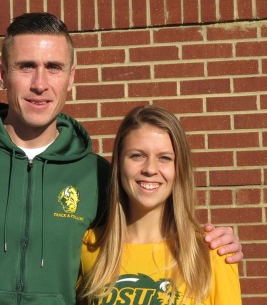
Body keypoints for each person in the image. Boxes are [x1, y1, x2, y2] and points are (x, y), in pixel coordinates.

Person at [0, 13, 242, 305]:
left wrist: (212, 241)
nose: (40, 83)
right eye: (26, 66)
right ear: (1, 73)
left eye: (54, 67)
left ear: (71, 76)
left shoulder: (98, 174)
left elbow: (141, 229)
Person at [78, 105, 242, 305]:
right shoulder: (87, 246)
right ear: (119, 164)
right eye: (137, 155)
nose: (150, 169)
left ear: (179, 168)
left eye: (164, 158)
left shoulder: (212, 254)